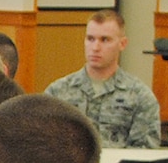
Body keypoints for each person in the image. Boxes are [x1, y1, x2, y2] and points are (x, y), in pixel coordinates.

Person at [45, 9, 160, 147]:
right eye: (90, 39)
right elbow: (43, 143)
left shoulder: (140, 96)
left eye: (105, 40)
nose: (95, 47)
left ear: (122, 44)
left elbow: (145, 151)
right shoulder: (58, 92)